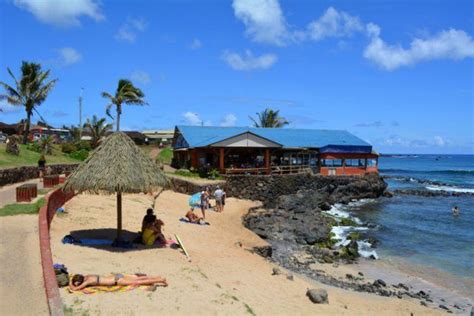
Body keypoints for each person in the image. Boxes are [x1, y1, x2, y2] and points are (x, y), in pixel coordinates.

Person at [69, 273, 167, 291]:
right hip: (116, 276)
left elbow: (74, 289)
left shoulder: (88, 281)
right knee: (138, 279)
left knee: (138, 282)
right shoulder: (88, 276)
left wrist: (70, 281)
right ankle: (157, 277)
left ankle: (160, 280)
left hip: (116, 281)